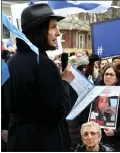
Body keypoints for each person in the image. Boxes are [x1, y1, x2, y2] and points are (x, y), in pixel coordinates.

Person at [2, 4, 76, 151]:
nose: (58, 33)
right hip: (43, 142)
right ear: (39, 31)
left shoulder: (9, 63)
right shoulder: (43, 64)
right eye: (53, 27)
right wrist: (65, 82)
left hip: (16, 141)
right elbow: (58, 113)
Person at [95, 65, 120, 151]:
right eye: (106, 74)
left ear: (117, 79)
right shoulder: (95, 93)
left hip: (115, 141)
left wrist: (115, 132)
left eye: (111, 74)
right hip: (95, 139)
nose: (108, 77)